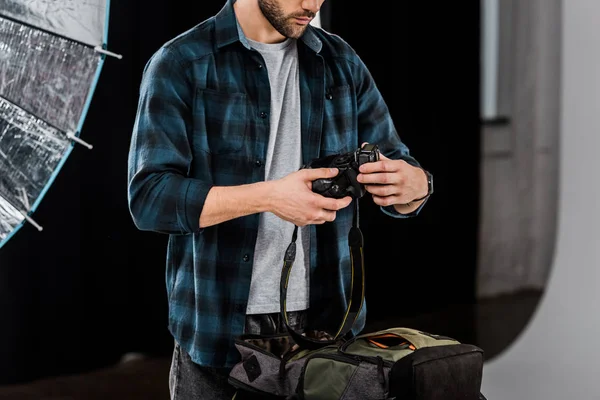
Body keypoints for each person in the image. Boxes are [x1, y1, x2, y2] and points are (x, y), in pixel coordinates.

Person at [127, 0, 433, 398]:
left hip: (326, 327)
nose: (312, 4)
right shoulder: (181, 62)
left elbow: (400, 172)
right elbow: (150, 199)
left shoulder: (340, 60)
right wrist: (270, 196)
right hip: (217, 329)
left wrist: (414, 186)